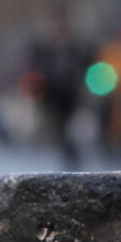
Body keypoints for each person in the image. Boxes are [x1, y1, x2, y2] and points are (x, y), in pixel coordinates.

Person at [28, 13, 90, 169]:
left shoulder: (76, 50)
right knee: (60, 133)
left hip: (72, 99)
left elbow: (84, 70)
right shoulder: (45, 51)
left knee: (73, 132)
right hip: (54, 99)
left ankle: (73, 159)